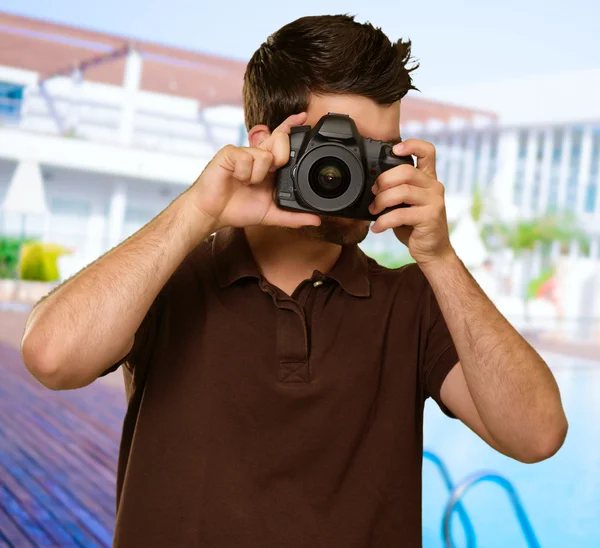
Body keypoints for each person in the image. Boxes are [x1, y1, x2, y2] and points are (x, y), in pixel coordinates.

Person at [21, 15, 567, 548]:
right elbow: (50, 356)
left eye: (378, 154)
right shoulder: (168, 277)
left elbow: (537, 435)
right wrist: (197, 212)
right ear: (267, 141)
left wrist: (440, 257)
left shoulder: (414, 301)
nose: (351, 175)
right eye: (338, 148)